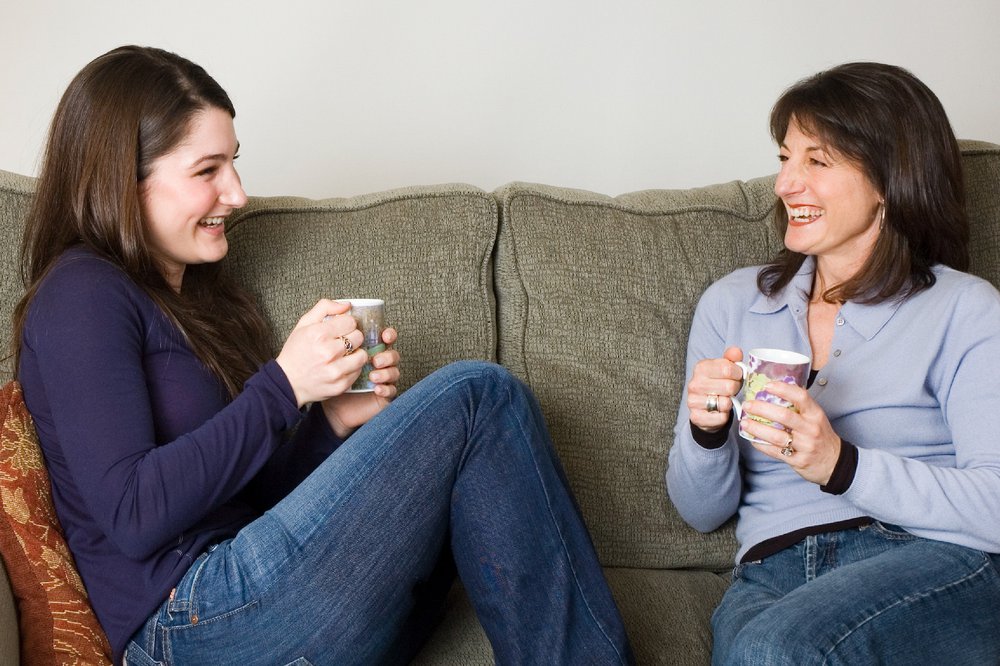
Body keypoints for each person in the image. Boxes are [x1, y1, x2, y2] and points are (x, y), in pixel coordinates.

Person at [13, 45, 634, 665]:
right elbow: (132, 513)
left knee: (468, 470)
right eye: (208, 171)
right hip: (186, 626)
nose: (237, 194)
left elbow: (247, 501)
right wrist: (283, 386)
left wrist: (328, 420)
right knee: (479, 397)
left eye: (234, 164)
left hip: (245, 594)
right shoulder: (82, 293)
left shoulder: (201, 302)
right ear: (123, 178)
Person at [666, 62, 1000, 664]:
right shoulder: (733, 304)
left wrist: (840, 464)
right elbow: (700, 511)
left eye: (816, 162)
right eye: (785, 159)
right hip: (769, 572)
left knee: (772, 649)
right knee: (761, 649)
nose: (785, 185)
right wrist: (706, 432)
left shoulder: (963, 309)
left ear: (889, 180)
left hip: (921, 557)